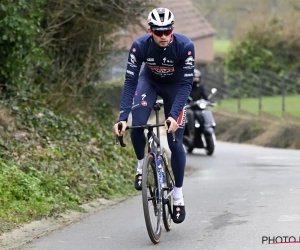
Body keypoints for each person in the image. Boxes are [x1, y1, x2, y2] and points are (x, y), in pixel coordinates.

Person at [113, 7, 195, 224]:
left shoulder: (185, 46)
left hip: (175, 87)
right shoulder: (139, 46)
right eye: (158, 32)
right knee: (136, 123)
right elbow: (130, 82)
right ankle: (141, 164)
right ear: (150, 31)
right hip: (148, 82)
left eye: (167, 30)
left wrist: (174, 114)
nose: (164, 36)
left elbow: (187, 84)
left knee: (175, 142)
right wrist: (122, 117)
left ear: (173, 29)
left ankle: (177, 195)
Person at [185, 69, 208, 144]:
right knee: (190, 114)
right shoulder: (187, 86)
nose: (196, 79)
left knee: (204, 112)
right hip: (189, 107)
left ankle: (205, 127)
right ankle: (192, 132)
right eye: (194, 77)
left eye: (197, 77)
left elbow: (205, 96)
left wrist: (208, 101)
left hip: (198, 108)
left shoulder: (200, 87)